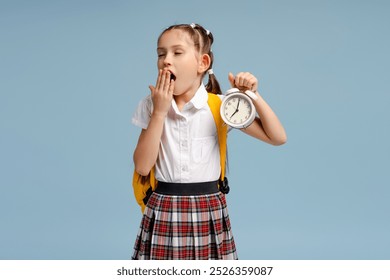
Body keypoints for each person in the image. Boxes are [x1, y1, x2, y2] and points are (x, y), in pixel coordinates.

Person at [131, 23, 287, 260]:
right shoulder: (151, 105)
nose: (166, 60)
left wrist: (252, 96)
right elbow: (142, 166)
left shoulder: (220, 106)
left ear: (203, 63)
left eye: (177, 52)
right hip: (163, 207)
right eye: (161, 54)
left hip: (208, 208)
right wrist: (160, 113)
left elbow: (277, 137)